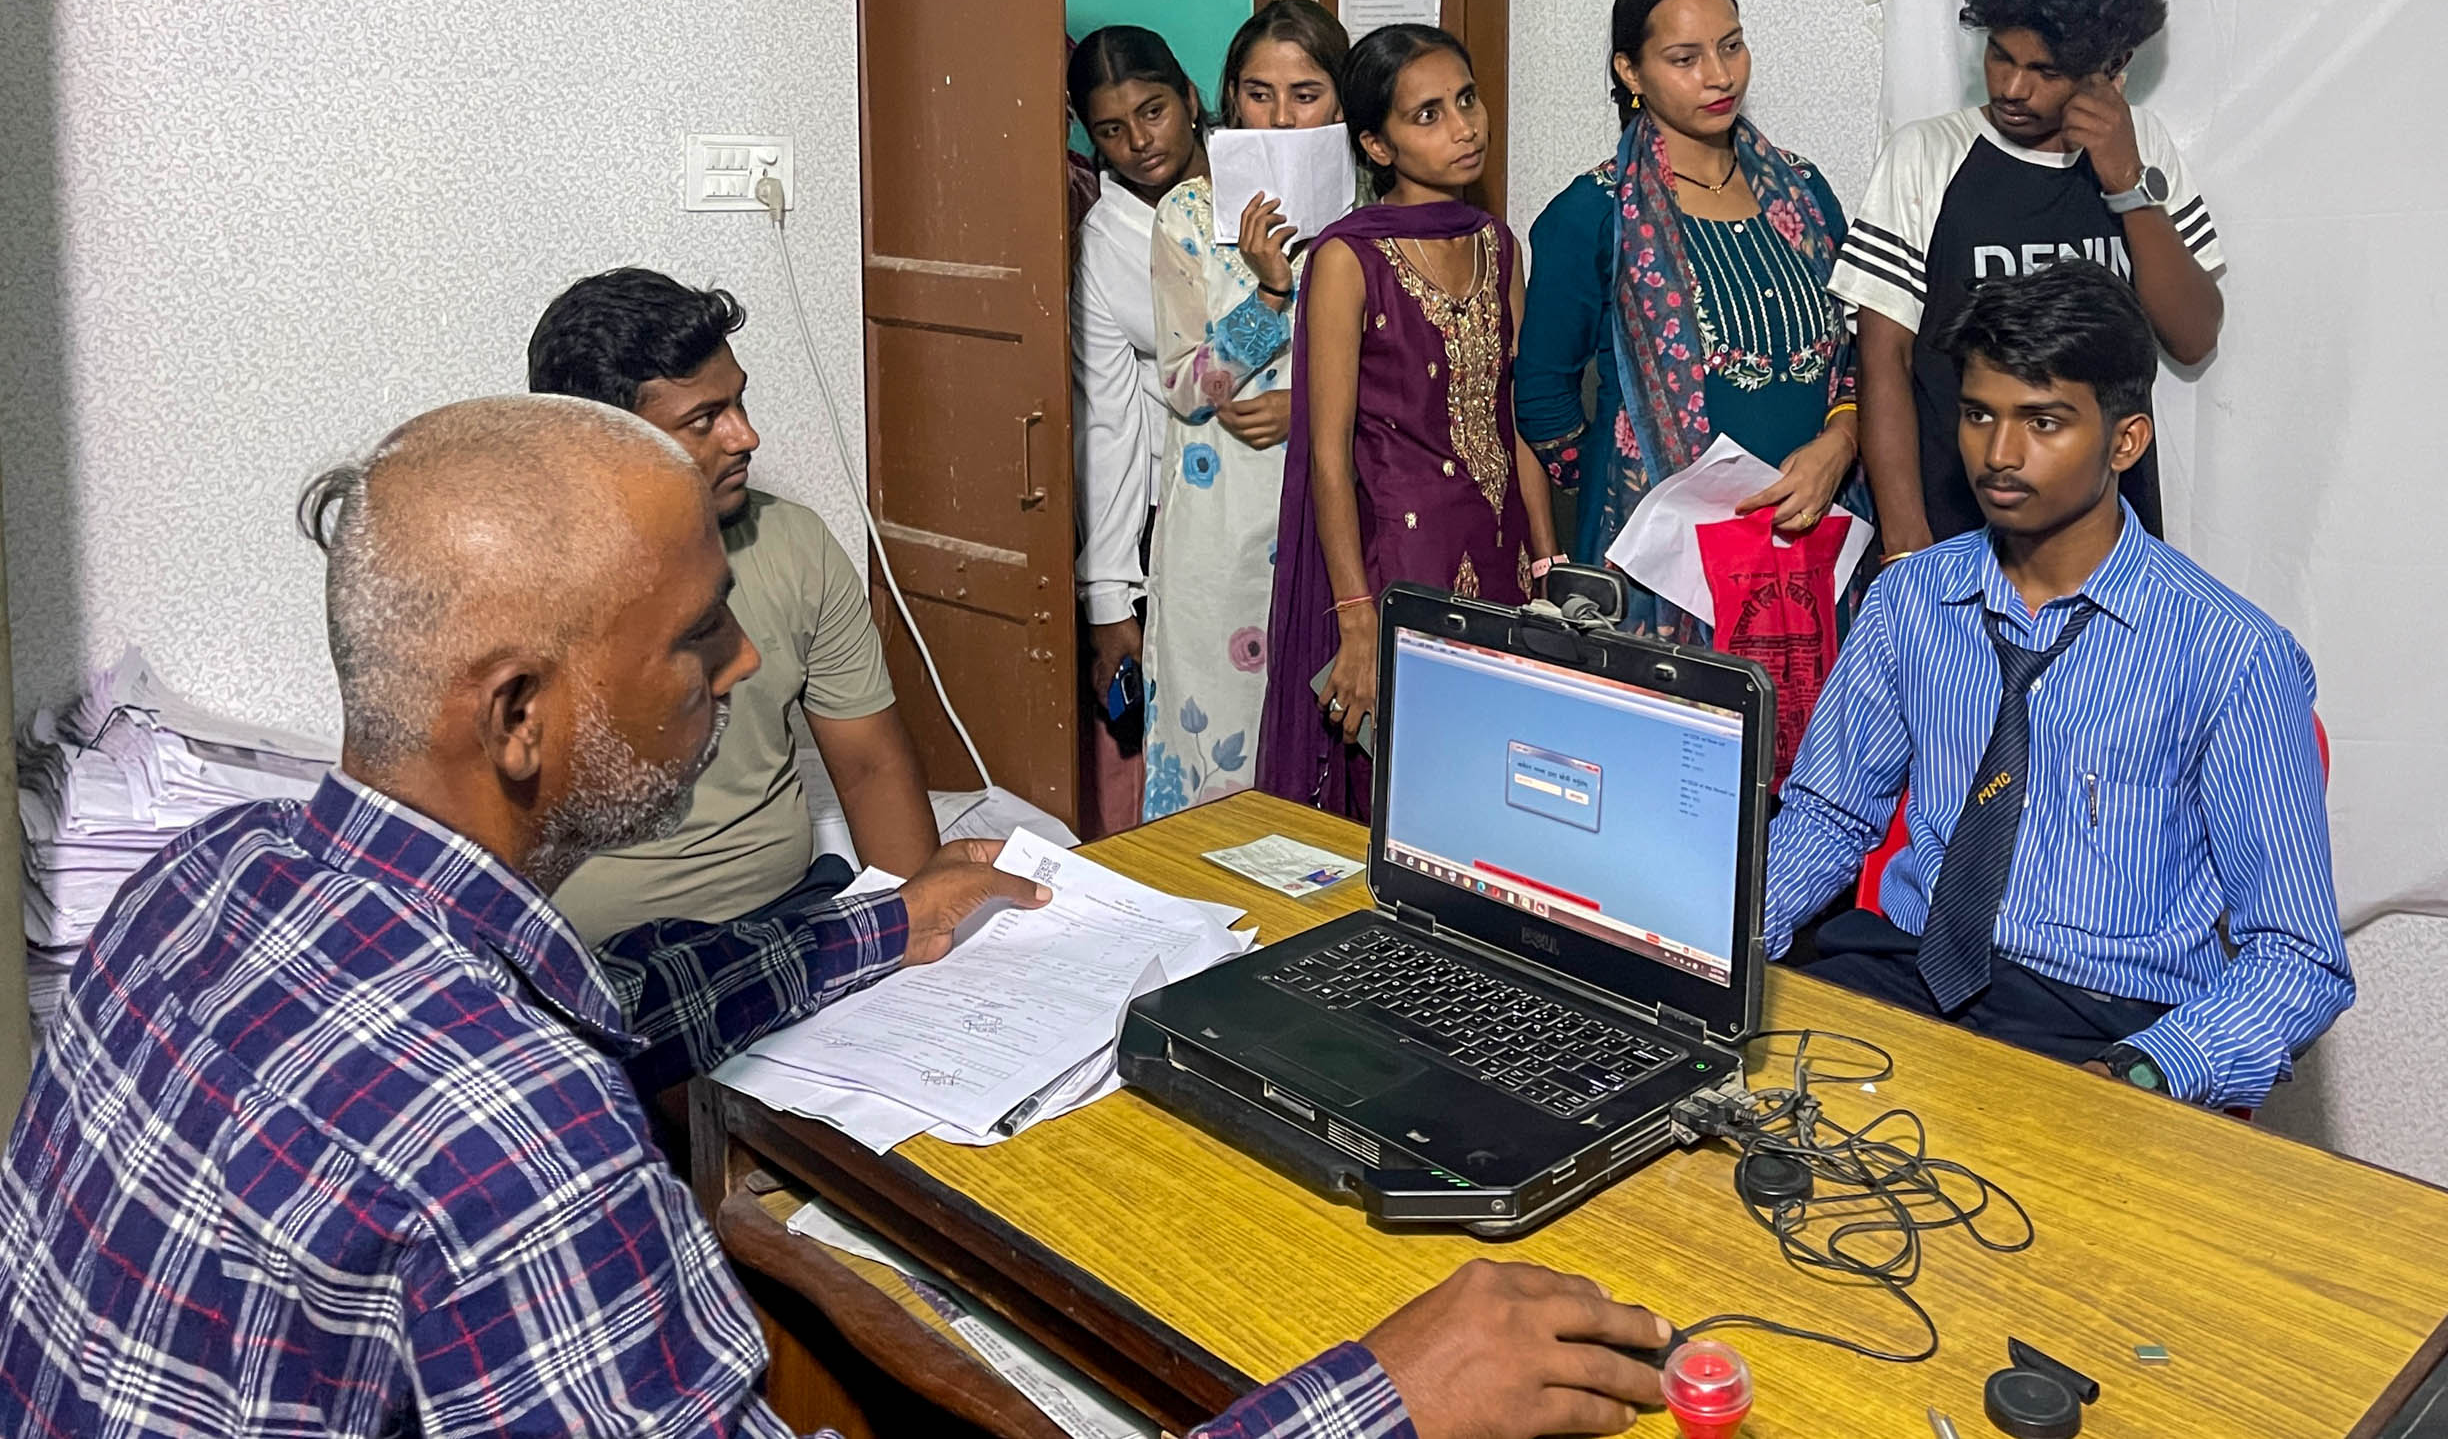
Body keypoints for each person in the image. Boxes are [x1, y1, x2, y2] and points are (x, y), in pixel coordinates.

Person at [0, 395, 1678, 1438]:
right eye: (693, 639)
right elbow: (520, 1103)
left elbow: (591, 1011)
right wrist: (1380, 1398)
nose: (739, 671)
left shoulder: (202, 888)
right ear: (517, 714)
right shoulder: (518, 1140)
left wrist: (877, 926)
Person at [1763, 262, 2348, 1110]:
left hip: (2102, 1023)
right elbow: (1827, 816)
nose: (1998, 455)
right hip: (1903, 975)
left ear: (2124, 441)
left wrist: (2143, 1071)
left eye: (2042, 422)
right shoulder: (1909, 600)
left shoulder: (2231, 656)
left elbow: (2296, 957)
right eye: (1978, 416)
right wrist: (1718, 944)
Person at [529, 268, 940, 944]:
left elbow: (870, 764)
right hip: (592, 958)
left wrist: (919, 926)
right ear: (601, 445)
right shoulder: (503, 578)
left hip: (785, 919)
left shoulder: (792, 543)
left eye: (738, 402)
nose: (744, 436)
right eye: (704, 420)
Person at [1832, 0, 2224, 560]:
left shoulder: (2142, 145)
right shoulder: (1927, 156)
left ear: (2113, 64)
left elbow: (2195, 335)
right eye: (1999, 55)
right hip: (1958, 541)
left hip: (2113, 552)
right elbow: (1885, 361)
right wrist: (1906, 543)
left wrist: (2126, 183)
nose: (2013, 87)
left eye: (2045, 72)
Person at [1516, 0, 1863, 644]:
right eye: (1684, 58)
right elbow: (1541, 397)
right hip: (1663, 570)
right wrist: (1639, 481)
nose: (1719, 75)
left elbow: (1859, 352)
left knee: (1819, 744)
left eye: (1730, 45)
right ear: (1630, 72)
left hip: (1815, 547)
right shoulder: (1593, 212)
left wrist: (1840, 441)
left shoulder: (1804, 191)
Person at [1258, 24, 1556, 817]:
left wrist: (1549, 564)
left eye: (1465, 100)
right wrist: (1356, 624)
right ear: (1376, 144)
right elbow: (1327, 459)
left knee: (1499, 792)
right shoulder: (1346, 258)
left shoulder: (1498, 245)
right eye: (1426, 115)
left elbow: (1513, 420)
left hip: (1504, 564)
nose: (1463, 127)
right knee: (1404, 797)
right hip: (1401, 570)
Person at [1141, 0, 1352, 819]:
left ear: (1341, 101)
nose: (1281, 114)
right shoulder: (1188, 215)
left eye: (1306, 92)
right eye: (1258, 93)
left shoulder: (1368, 217)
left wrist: (1308, 408)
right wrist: (1268, 291)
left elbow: (1416, 378)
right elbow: (1188, 385)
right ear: (1230, 98)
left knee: (1328, 736)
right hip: (1218, 530)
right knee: (1215, 739)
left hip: (1335, 518)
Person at [1069, 26, 1211, 834]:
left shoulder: (1262, 184)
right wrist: (1108, 594)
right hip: (1183, 516)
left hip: (1301, 495)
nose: (1138, 142)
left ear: (1189, 97)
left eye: (1152, 111)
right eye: (1110, 130)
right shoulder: (1106, 241)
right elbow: (1110, 422)